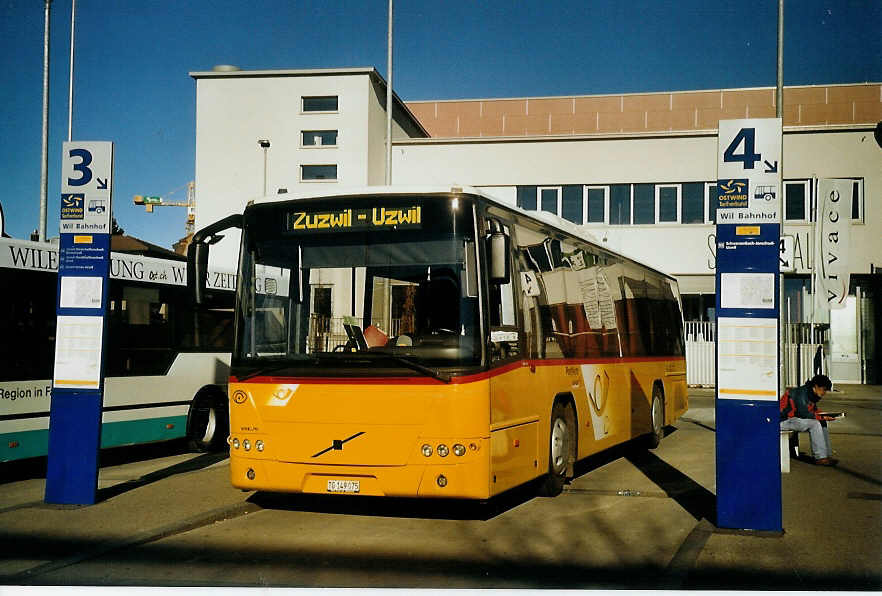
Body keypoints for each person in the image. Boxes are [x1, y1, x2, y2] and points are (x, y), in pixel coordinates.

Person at [780, 374, 837, 466]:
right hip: (782, 420)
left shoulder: (810, 393)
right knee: (814, 424)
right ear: (816, 386)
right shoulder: (800, 393)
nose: (824, 392)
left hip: (792, 419)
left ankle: (826, 454)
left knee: (822, 422)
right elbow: (803, 413)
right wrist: (822, 417)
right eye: (823, 389)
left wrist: (825, 415)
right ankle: (820, 457)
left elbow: (813, 411)